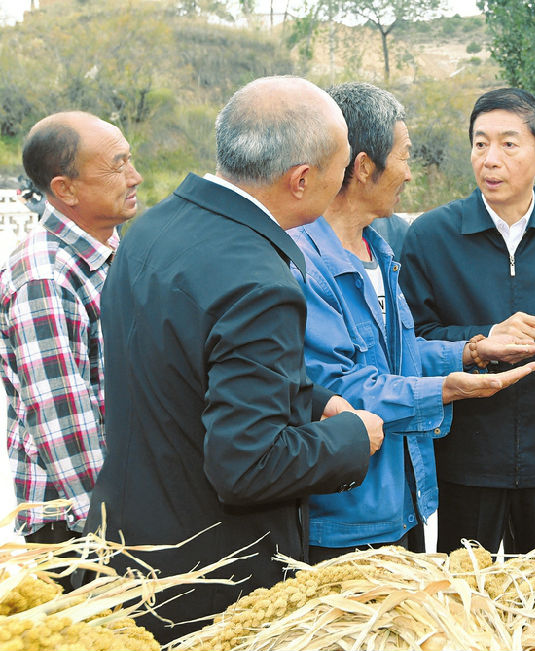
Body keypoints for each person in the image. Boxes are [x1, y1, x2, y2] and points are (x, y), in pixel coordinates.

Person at [84, 77, 384, 643]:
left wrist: (309, 399)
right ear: (301, 179)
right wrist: (352, 436)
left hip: (125, 545)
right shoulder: (258, 280)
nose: (347, 181)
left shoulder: (153, 227)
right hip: (206, 577)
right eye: (341, 169)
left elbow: (182, 362)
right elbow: (247, 466)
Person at [289, 82, 535, 563]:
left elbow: (394, 357)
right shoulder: (305, 263)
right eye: (404, 156)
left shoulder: (378, 251)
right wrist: (449, 388)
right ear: (364, 167)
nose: (408, 172)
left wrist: (472, 350)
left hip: (400, 499)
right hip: (343, 512)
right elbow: (335, 389)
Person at [400, 88, 535, 555]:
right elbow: (409, 340)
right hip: (465, 458)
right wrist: (479, 342)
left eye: (508, 144)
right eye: (480, 144)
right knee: (465, 598)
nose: (490, 159)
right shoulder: (432, 235)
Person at [0, 112, 142, 565]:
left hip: (117, 506)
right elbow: (62, 419)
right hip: (77, 527)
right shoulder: (44, 275)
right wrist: (111, 531)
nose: (134, 177)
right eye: (117, 165)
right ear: (65, 189)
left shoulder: (112, 254)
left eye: (130, 161)